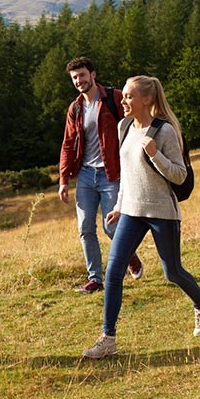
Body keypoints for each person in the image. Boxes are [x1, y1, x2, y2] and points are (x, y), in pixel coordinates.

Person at [83, 76, 200, 358]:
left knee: (173, 272)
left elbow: (179, 175)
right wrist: (119, 205)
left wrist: (155, 155)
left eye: (129, 96)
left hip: (161, 212)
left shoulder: (164, 131)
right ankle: (108, 338)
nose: (123, 100)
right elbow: (126, 175)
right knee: (114, 272)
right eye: (124, 96)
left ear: (147, 99)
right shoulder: (124, 126)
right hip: (131, 211)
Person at [59, 56, 143, 293]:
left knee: (111, 227)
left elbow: (134, 123)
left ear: (93, 75)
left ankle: (130, 256)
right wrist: (64, 179)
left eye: (82, 75)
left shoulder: (113, 98)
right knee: (85, 227)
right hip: (85, 174)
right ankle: (95, 278)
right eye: (75, 78)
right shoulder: (75, 108)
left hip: (111, 173)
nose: (79, 81)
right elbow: (68, 143)